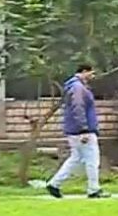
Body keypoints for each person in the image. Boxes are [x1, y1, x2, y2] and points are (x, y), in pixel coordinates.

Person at [46, 63, 108, 199]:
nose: (93, 76)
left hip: (74, 130)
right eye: (91, 73)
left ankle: (54, 184)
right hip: (83, 131)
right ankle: (93, 189)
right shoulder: (78, 87)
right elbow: (78, 107)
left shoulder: (74, 86)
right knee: (92, 159)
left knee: (76, 159)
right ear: (84, 71)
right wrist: (84, 129)